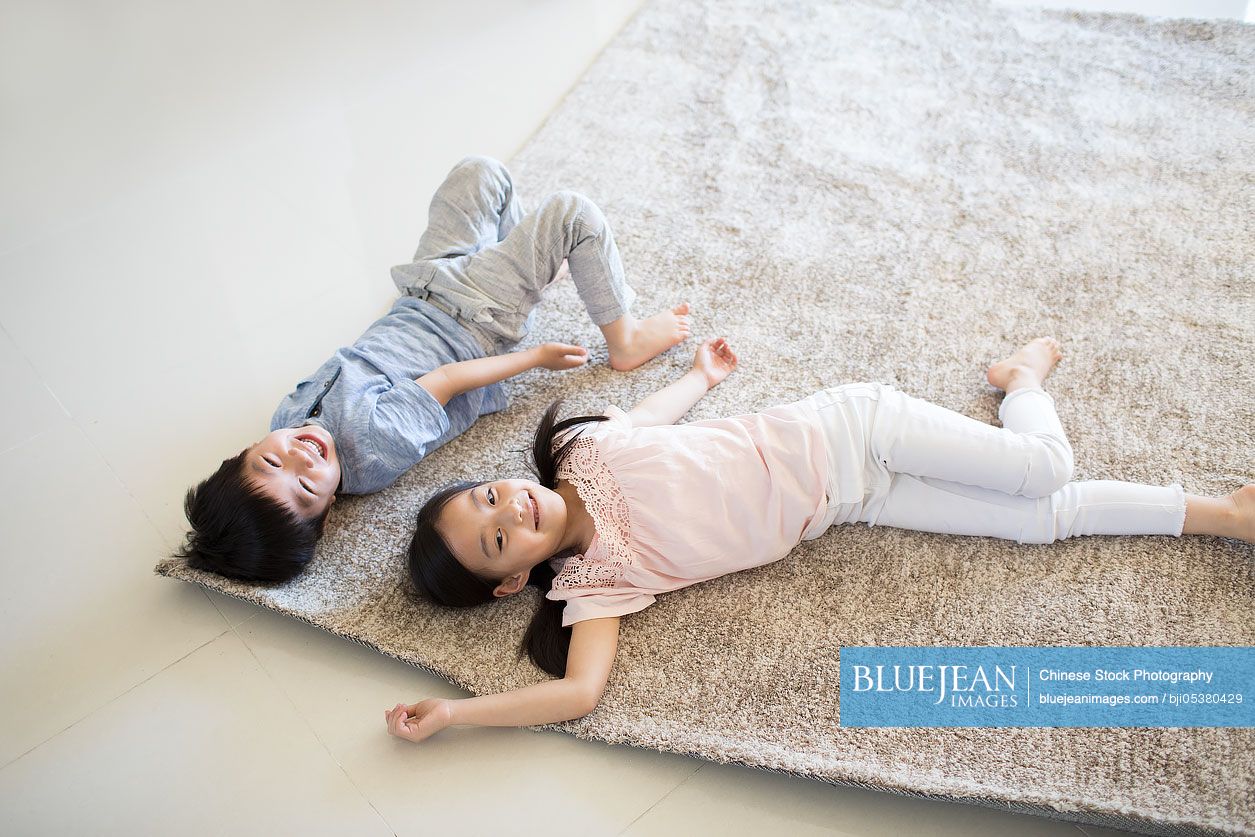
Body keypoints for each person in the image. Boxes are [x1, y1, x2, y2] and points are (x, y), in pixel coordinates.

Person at [388, 336, 1254, 743]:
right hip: (856, 499)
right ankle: (1221, 512)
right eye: (497, 540)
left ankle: (1022, 379)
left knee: (1041, 468)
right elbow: (577, 696)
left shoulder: (580, 446)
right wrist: (458, 712)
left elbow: (648, 416)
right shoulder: (597, 583)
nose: (513, 513)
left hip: (852, 425)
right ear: (512, 584)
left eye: (491, 497)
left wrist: (699, 376)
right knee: (1039, 520)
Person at [174, 155, 692, 584]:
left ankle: (528, 262)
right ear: (329, 509)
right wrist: (534, 358)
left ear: (245, 453)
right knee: (573, 215)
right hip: (474, 322)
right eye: (307, 488)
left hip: (427, 291)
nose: (300, 460)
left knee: (480, 175)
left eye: (269, 462)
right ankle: (624, 336)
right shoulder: (370, 445)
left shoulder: (286, 419)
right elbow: (446, 381)